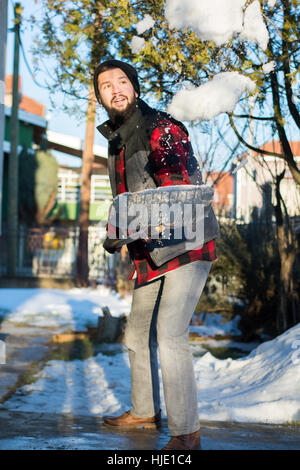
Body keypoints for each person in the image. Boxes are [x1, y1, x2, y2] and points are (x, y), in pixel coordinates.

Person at [93, 59, 220, 450]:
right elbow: (129, 204)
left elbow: (177, 192)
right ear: (99, 96)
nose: (114, 89)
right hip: (150, 253)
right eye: (104, 85)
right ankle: (145, 412)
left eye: (121, 81)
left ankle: (187, 434)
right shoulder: (117, 141)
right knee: (135, 334)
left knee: (170, 332)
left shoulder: (161, 128)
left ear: (134, 86)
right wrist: (119, 236)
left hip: (187, 245)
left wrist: (130, 229)